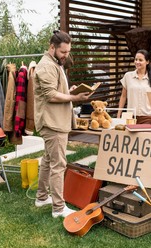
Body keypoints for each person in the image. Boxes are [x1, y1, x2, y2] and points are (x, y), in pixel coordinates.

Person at [33, 30, 92, 218]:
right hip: (53, 123)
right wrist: (74, 97)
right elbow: (50, 95)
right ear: (52, 47)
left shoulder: (55, 63)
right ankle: (58, 208)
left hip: (55, 121)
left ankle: (42, 197)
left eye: (68, 51)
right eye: (63, 52)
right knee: (59, 165)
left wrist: (70, 90)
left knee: (48, 161)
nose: (66, 55)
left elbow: (56, 89)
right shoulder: (46, 66)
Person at [117, 49, 151, 125]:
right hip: (130, 118)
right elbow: (123, 96)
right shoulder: (128, 76)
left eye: (140, 60)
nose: (137, 62)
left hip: (148, 118)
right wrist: (119, 114)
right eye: (136, 59)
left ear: (147, 62)